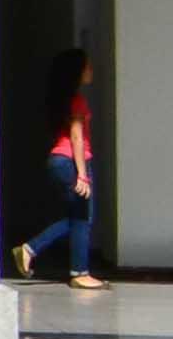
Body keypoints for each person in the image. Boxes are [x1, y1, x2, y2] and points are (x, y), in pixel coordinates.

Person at [11, 46, 107, 291]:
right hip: (71, 162)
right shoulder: (77, 101)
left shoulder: (65, 99)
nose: (90, 70)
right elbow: (76, 138)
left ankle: (35, 252)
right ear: (77, 71)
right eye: (86, 66)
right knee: (83, 217)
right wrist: (83, 175)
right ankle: (78, 271)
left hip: (60, 161)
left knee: (78, 218)